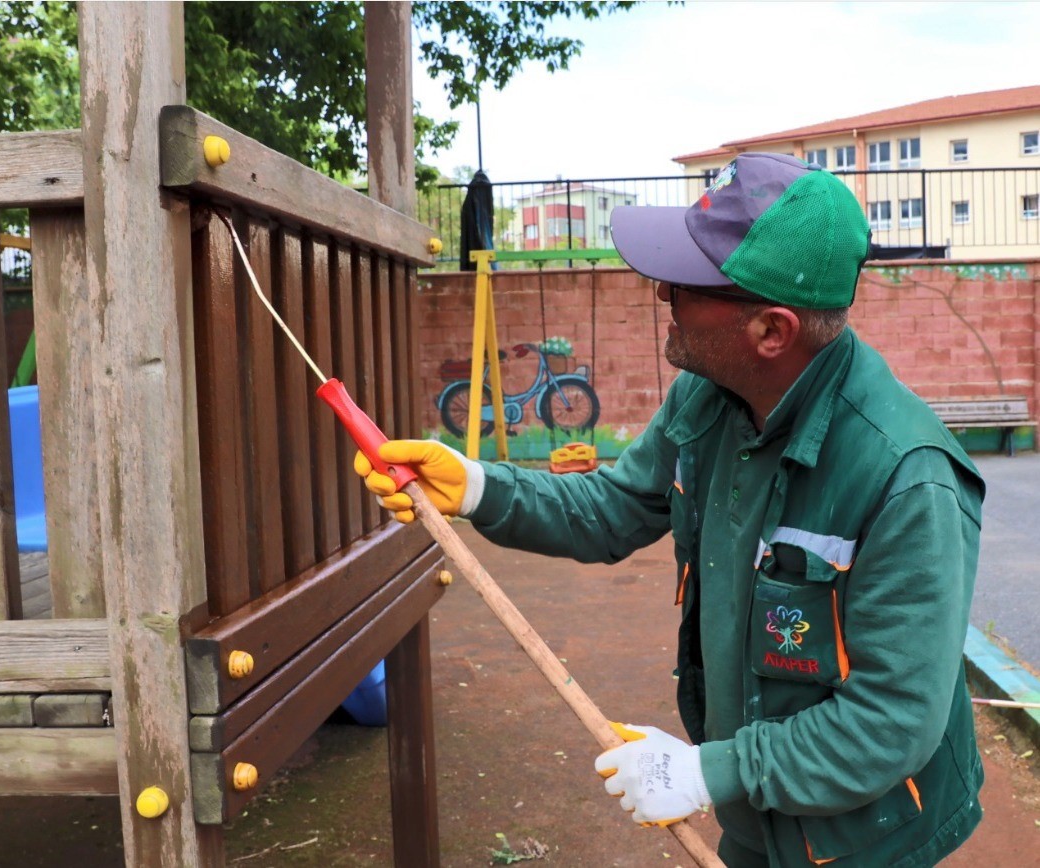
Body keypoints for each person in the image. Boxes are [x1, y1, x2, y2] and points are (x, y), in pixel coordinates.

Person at [355, 152, 984, 867]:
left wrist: (704, 773)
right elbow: (614, 507)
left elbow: (891, 723)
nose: (661, 293)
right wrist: (477, 487)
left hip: (866, 840)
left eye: (686, 284)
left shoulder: (908, 479)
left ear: (771, 331)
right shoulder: (710, 397)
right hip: (757, 817)